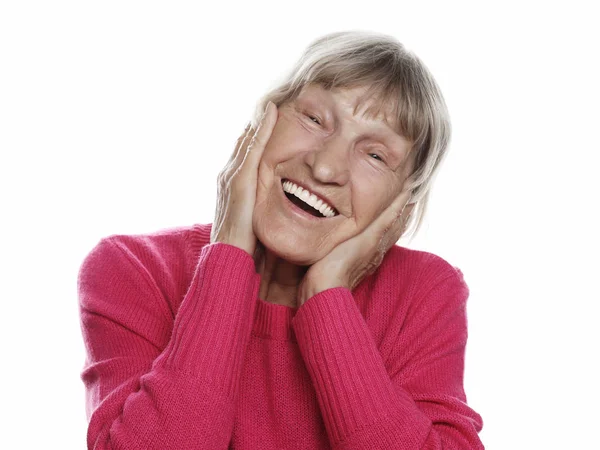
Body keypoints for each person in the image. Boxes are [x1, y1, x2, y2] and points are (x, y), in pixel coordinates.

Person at [78, 31, 484, 449]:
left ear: (402, 207)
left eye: (376, 155)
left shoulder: (424, 293)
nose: (325, 167)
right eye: (314, 119)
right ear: (258, 126)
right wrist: (230, 253)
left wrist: (327, 296)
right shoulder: (133, 269)